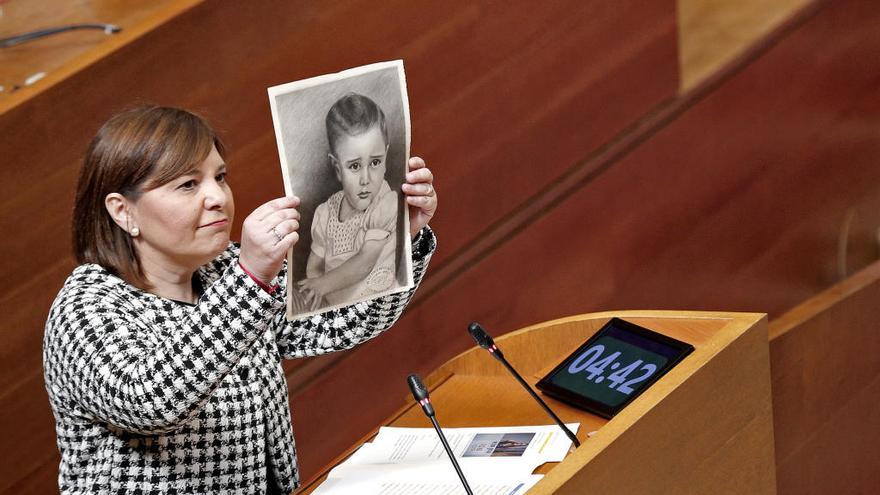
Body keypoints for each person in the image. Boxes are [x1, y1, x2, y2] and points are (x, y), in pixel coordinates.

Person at [42, 105, 438, 494]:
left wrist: (401, 238)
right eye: (187, 185)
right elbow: (150, 401)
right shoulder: (86, 308)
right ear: (123, 211)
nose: (218, 197)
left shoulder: (224, 268)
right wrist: (250, 276)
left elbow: (340, 322)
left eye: (220, 177)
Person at [297, 93, 400, 309]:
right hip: (340, 318)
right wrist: (319, 297)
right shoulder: (325, 214)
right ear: (337, 168)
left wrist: (322, 285)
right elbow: (314, 268)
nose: (366, 179)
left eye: (375, 162)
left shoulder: (384, 202)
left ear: (385, 157)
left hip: (379, 310)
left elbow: (365, 262)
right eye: (354, 166)